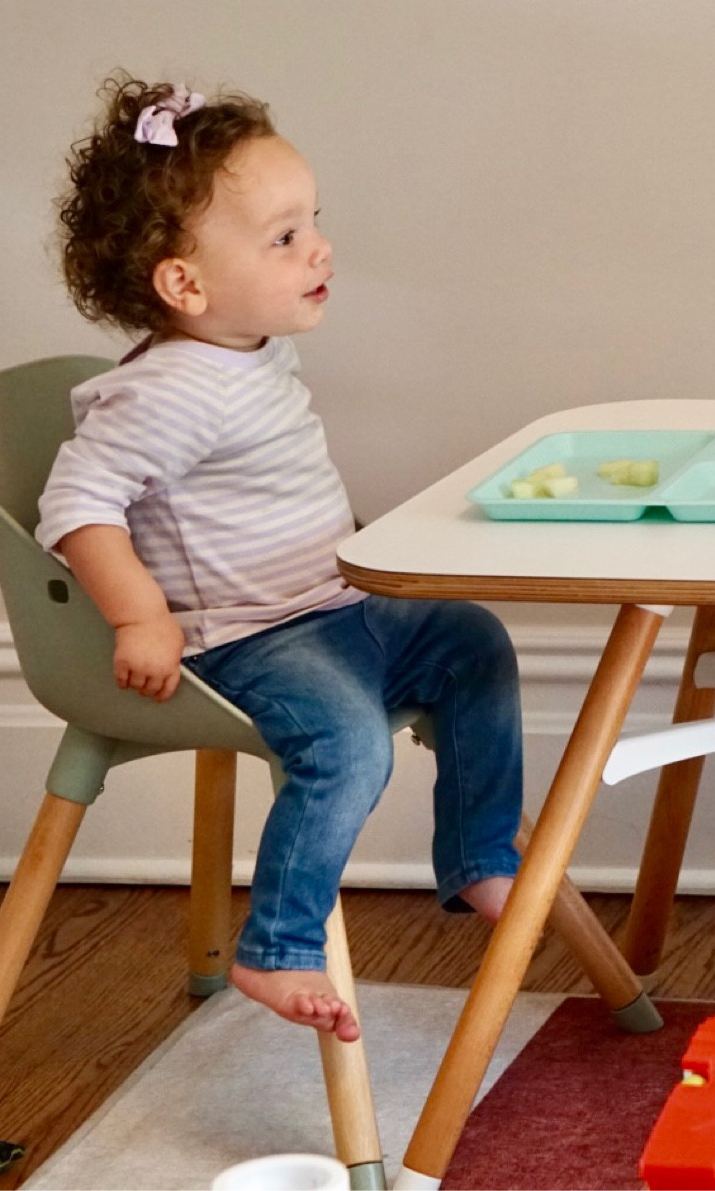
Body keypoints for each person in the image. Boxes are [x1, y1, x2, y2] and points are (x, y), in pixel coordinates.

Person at [37, 77, 526, 1043]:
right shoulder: (172, 390)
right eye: (284, 237)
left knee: (472, 641)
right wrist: (141, 614)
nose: (320, 249)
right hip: (251, 639)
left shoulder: (250, 345)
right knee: (348, 743)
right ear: (185, 284)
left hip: (333, 607)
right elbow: (77, 502)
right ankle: (279, 942)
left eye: (315, 223)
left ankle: (475, 855)